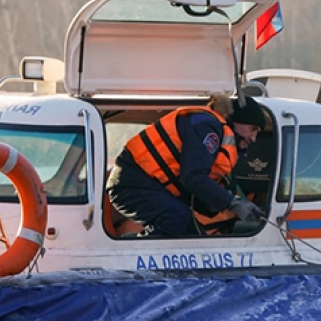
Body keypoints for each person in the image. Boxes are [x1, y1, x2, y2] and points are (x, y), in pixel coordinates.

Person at [107, 93, 266, 237]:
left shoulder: (210, 128)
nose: (253, 138)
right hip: (132, 183)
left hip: (148, 184)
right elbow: (193, 178)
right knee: (176, 217)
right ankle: (140, 262)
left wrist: (231, 202)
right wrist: (233, 203)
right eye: (252, 129)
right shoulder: (207, 127)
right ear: (236, 120)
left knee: (193, 234)